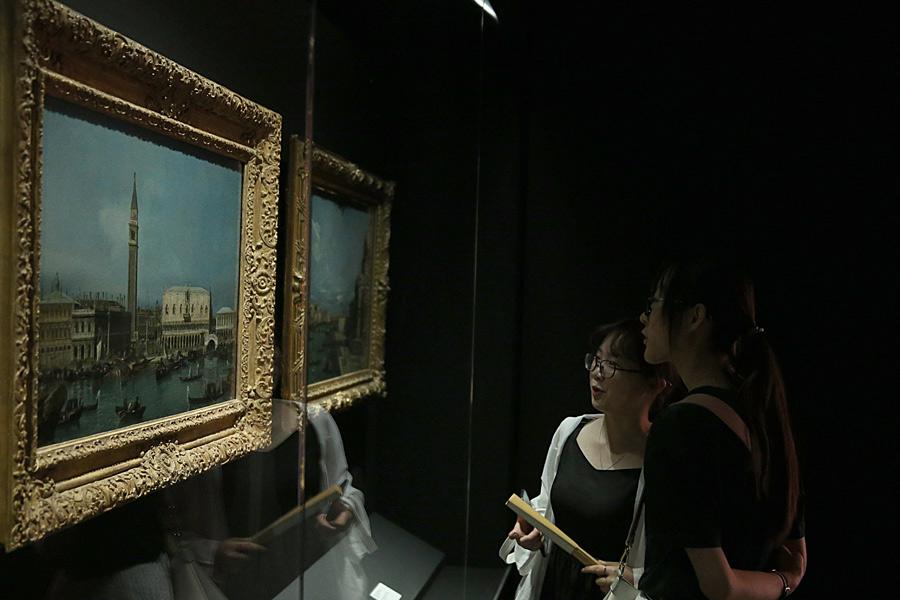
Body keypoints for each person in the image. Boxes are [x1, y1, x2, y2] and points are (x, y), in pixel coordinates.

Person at [596, 258, 806, 600]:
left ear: (695, 316)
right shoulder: (764, 413)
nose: (644, 318)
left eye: (653, 304)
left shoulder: (680, 426)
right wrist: (784, 581)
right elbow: (796, 560)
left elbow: (719, 586)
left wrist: (786, 579)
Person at [501, 319, 673, 600]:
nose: (597, 372)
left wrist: (636, 578)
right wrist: (536, 528)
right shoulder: (569, 430)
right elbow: (548, 504)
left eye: (612, 365)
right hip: (553, 586)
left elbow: (672, 564)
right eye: (596, 360)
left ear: (653, 384)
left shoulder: (662, 460)